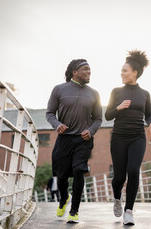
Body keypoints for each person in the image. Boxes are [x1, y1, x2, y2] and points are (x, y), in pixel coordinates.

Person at [46, 59, 102, 223]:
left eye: (90, 69)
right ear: (74, 72)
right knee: (61, 176)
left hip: (83, 140)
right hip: (64, 139)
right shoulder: (59, 89)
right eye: (85, 69)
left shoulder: (94, 93)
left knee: (79, 171)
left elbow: (98, 119)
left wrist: (90, 131)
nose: (89, 72)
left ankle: (74, 211)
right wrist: (57, 125)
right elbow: (50, 113)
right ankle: (64, 198)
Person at [105, 50, 151, 225]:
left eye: (125, 70)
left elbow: (148, 115)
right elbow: (107, 115)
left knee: (133, 170)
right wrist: (118, 108)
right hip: (119, 137)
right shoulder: (116, 91)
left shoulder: (145, 94)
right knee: (119, 177)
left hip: (137, 137)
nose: (122, 73)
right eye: (121, 70)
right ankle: (117, 198)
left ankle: (129, 211)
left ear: (135, 72)